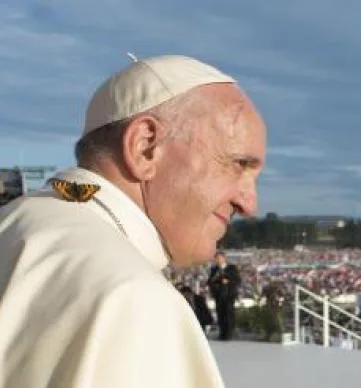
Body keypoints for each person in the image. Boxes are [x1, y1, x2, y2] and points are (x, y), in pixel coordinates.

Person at [0, 54, 266, 387]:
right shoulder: (132, 298)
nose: (249, 204)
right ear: (145, 148)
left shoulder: (13, 222)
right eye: (238, 164)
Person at [208, 251, 241, 340]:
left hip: (229, 295)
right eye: (216, 258)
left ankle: (229, 334)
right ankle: (222, 333)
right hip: (219, 295)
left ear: (224, 258)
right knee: (220, 314)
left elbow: (237, 280)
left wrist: (228, 281)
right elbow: (210, 281)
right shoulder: (214, 269)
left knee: (229, 314)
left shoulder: (232, 268)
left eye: (220, 258)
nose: (218, 260)